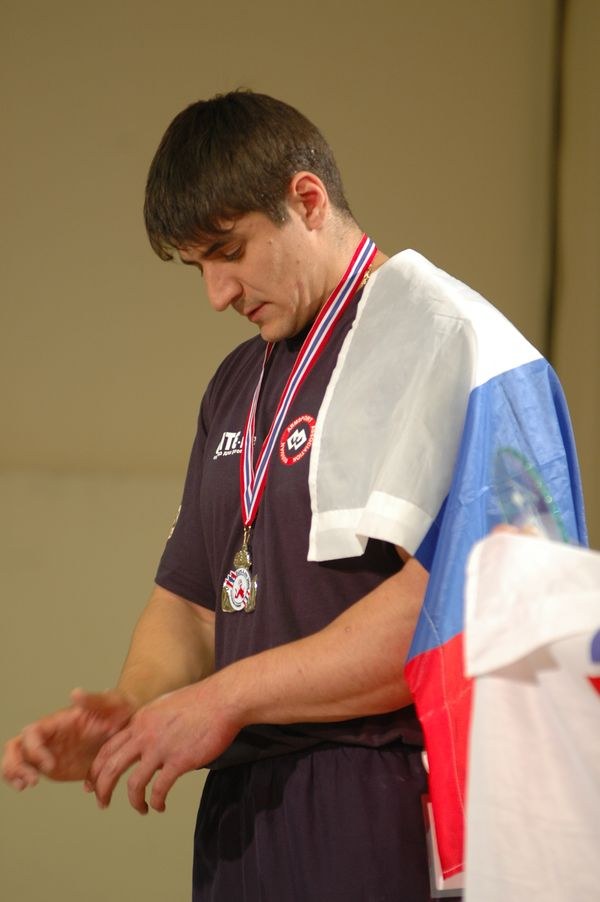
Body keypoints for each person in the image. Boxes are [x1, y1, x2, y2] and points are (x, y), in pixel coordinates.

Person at [1, 90, 586, 901]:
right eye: (196, 266)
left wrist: (226, 698)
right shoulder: (238, 381)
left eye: (228, 250)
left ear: (307, 200)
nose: (217, 292)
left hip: (385, 802)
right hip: (243, 817)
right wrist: (133, 708)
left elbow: (462, 612)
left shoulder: (456, 340)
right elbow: (193, 602)